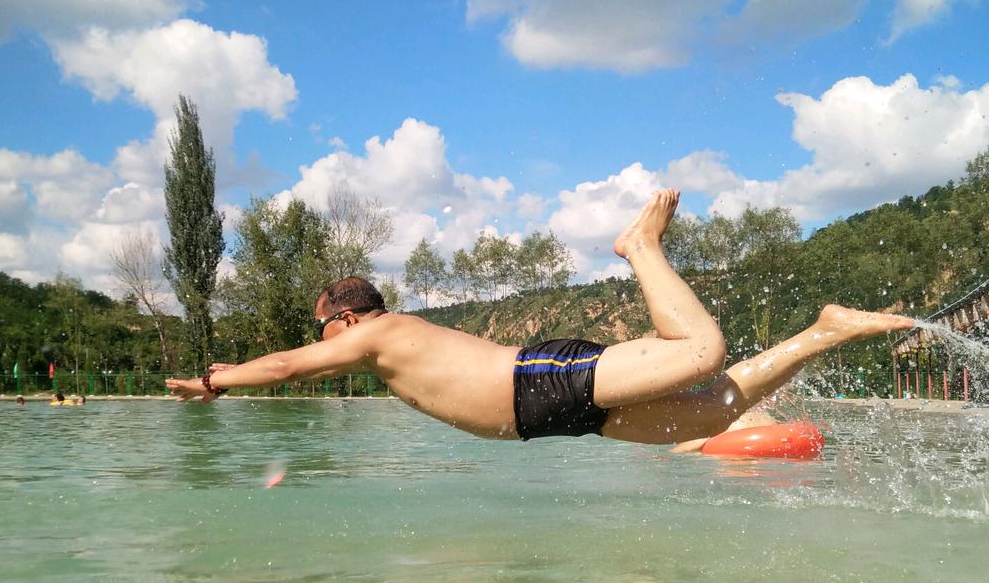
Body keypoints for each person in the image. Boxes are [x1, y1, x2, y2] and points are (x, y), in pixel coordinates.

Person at [165, 189, 914, 444]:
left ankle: (640, 246)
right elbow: (301, 362)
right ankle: (825, 329)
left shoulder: (380, 335)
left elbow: (292, 364)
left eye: (323, 326)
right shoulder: (383, 350)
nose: (320, 342)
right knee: (712, 414)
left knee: (701, 348)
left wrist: (217, 380)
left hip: (539, 381)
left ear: (348, 320)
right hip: (550, 417)